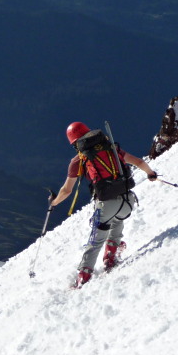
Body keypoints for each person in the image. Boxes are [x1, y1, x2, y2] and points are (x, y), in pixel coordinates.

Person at [49, 121, 158, 287]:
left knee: (96, 240)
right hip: (127, 200)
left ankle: (83, 276)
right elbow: (138, 162)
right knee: (117, 220)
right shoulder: (112, 148)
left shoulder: (79, 160)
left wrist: (54, 203)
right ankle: (111, 256)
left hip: (106, 205)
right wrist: (151, 174)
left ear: (75, 143)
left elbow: (66, 191)